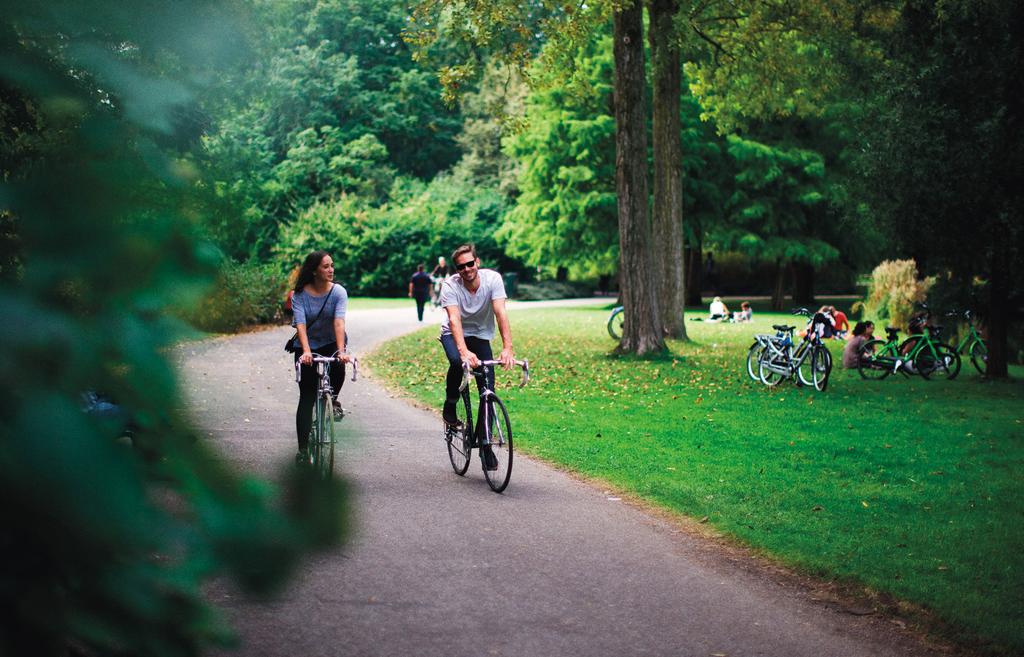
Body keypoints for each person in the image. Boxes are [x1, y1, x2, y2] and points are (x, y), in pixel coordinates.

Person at [439, 244, 514, 471]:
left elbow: (500, 312)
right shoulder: (450, 286)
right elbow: (454, 320)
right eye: (461, 267)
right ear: (457, 270)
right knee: (456, 362)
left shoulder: (493, 280)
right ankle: (451, 404)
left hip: (481, 336)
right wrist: (463, 352)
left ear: (477, 263)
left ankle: (485, 445)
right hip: (454, 334)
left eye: (470, 264)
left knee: (487, 390)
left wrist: (507, 348)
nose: (467, 269)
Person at [289, 250, 352, 465]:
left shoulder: (338, 292)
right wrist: (306, 351)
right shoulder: (299, 294)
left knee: (339, 366)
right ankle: (303, 449)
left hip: (331, 342)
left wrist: (342, 351)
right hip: (306, 346)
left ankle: (332, 400)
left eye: (332, 265)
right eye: (326, 266)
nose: (331, 270)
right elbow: (301, 325)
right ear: (314, 270)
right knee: (306, 398)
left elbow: (339, 323)